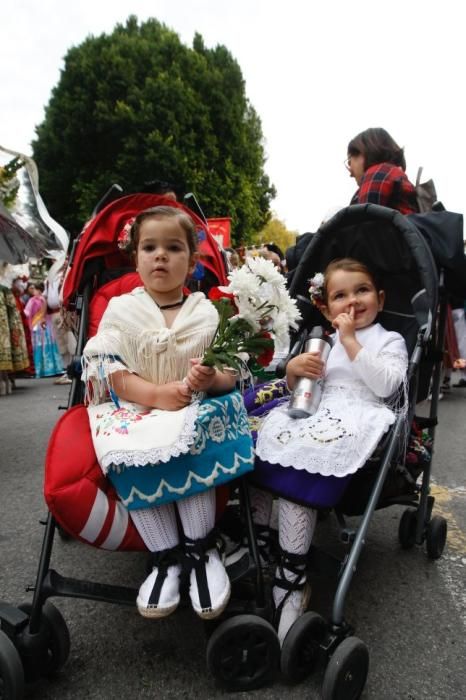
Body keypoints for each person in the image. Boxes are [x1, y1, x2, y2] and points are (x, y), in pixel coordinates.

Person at [82, 205, 254, 620]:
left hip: (194, 405)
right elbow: (110, 370)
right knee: (126, 447)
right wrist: (156, 393)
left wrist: (211, 377)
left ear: (193, 263)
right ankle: (166, 557)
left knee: (190, 435)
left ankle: (200, 547)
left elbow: (231, 373)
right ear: (136, 257)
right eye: (150, 247)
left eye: (174, 248)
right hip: (140, 404)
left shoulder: (206, 312)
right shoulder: (121, 311)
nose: (161, 256)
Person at [251, 258, 408, 644]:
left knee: (304, 461)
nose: (352, 301)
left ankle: (291, 577)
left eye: (362, 291)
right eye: (340, 295)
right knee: (259, 444)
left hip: (358, 415)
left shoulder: (389, 340)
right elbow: (300, 387)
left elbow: (387, 385)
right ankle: (262, 544)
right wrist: (293, 370)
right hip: (315, 409)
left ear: (380, 298)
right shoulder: (323, 340)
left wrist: (352, 341)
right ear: (325, 307)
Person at [346, 127, 419, 215]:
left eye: (350, 161)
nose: (350, 173)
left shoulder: (378, 173)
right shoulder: (393, 173)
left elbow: (364, 222)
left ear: (363, 153)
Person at [23, 282, 64, 378]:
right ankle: (54, 368)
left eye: (35, 289)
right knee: (50, 347)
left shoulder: (33, 300)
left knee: (39, 348)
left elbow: (27, 313)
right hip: (47, 325)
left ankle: (41, 370)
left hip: (37, 326)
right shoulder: (45, 300)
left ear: (39, 290)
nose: (33, 291)